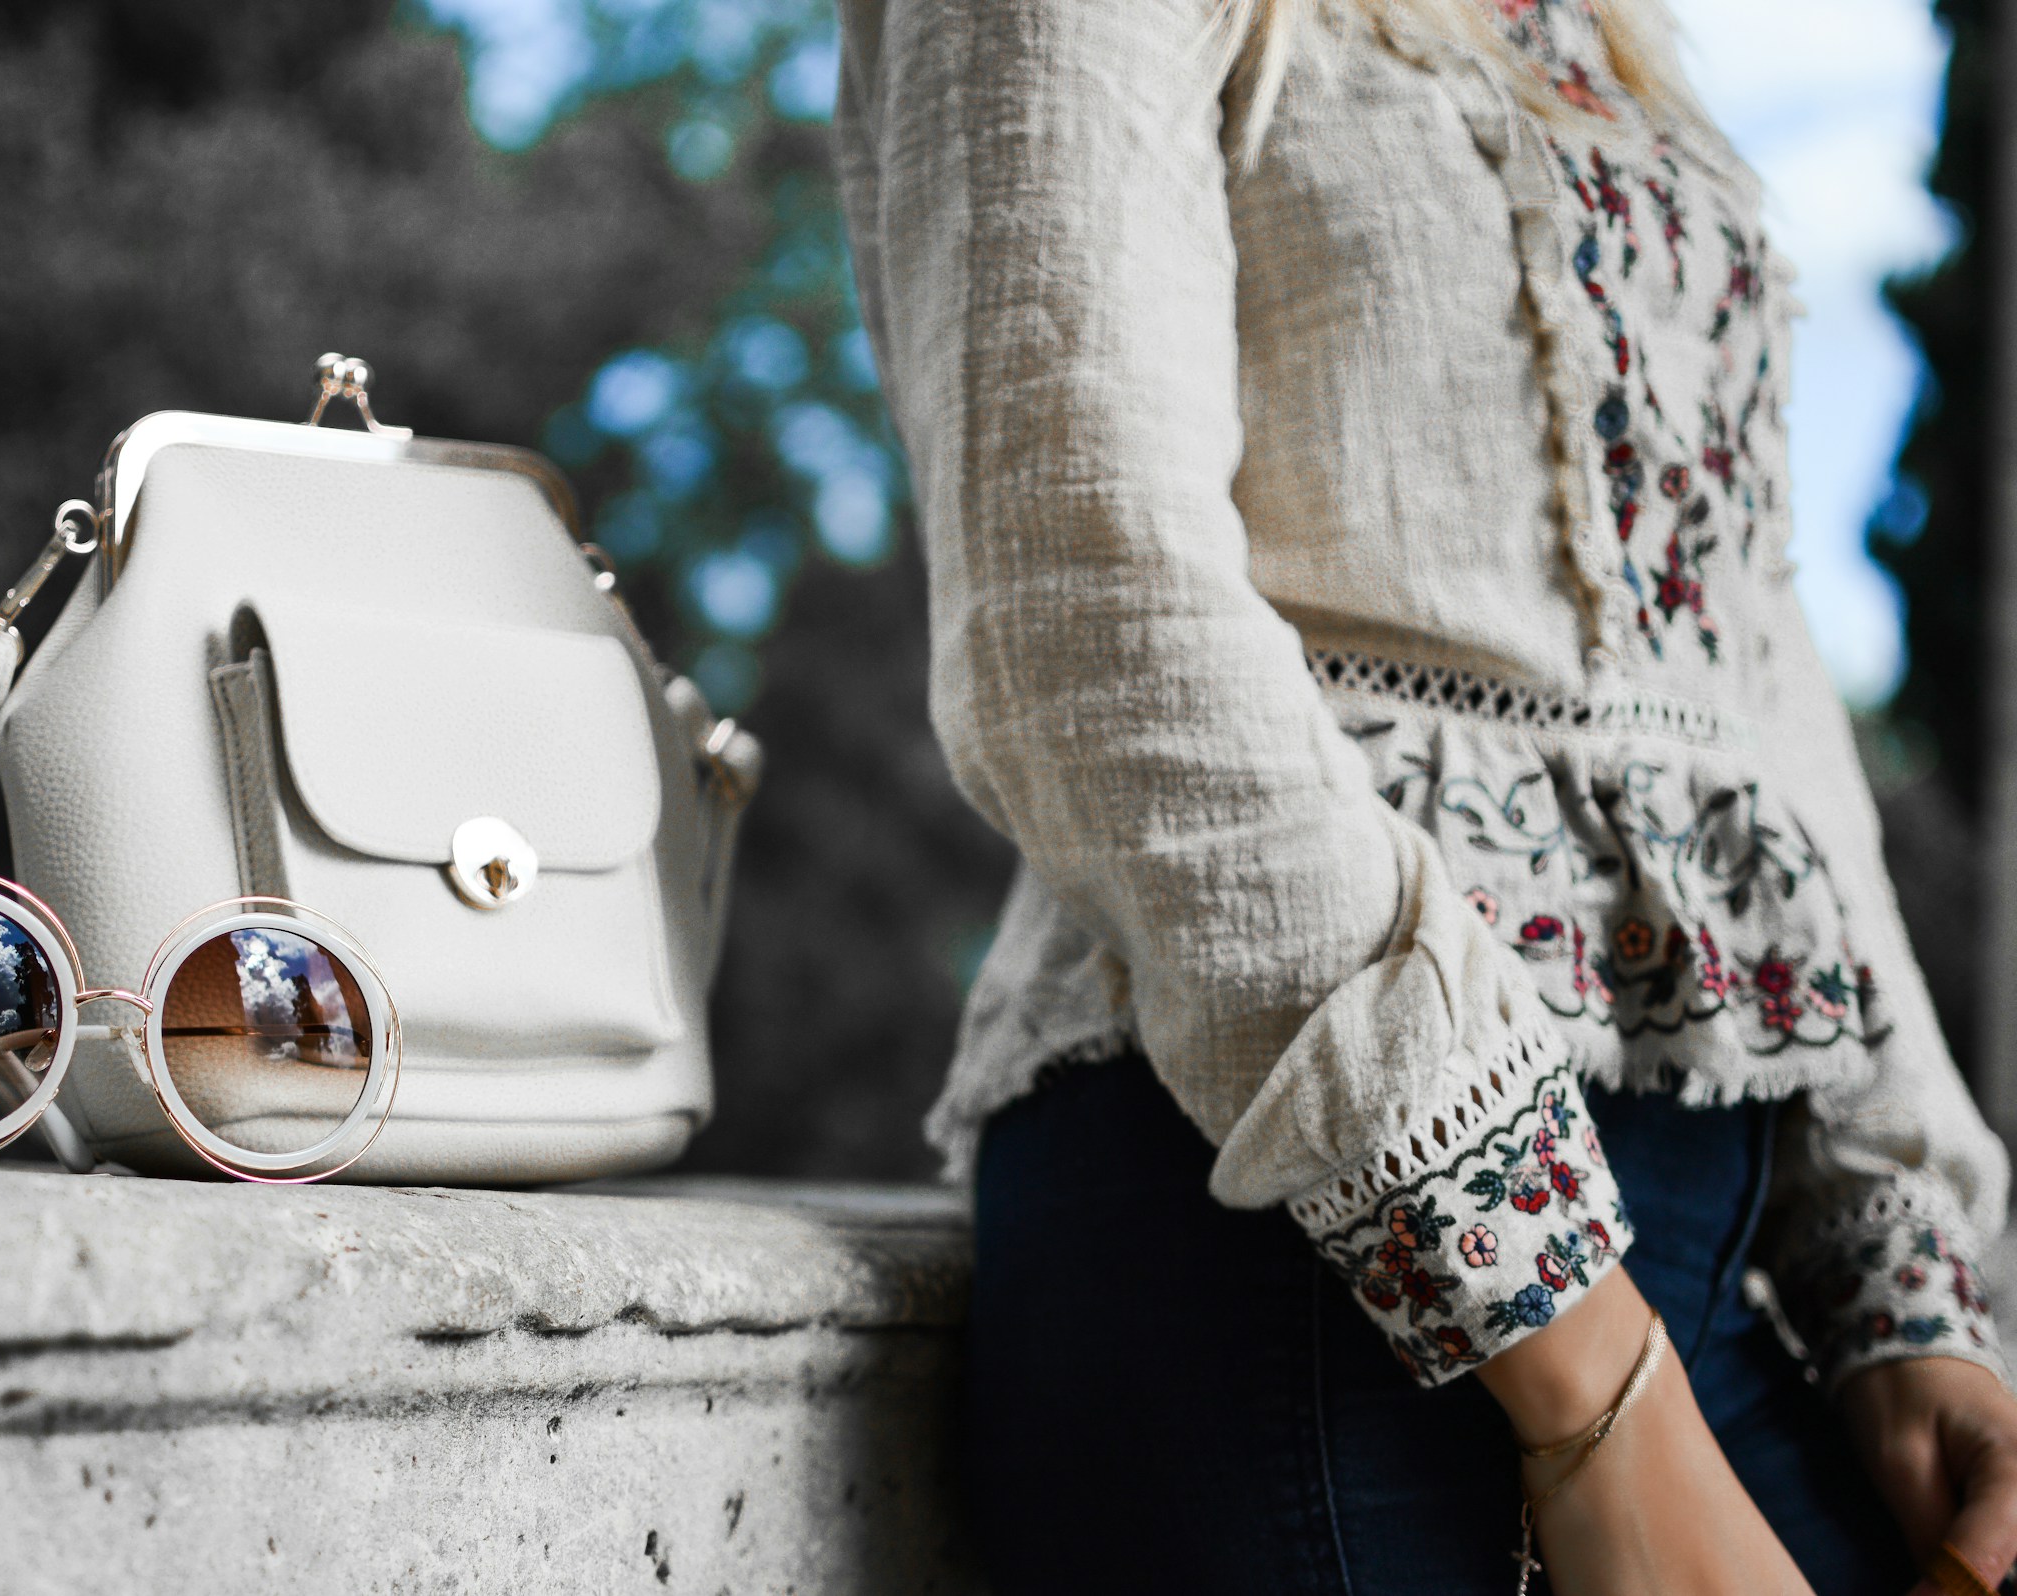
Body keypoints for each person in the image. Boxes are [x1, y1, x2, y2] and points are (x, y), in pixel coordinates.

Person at [831, 0, 2017, 1589]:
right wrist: (1595, 1389)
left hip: (1696, 1282)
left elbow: (1744, 663)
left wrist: (1895, 1288)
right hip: (1309, 1259)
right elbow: (1084, 598)